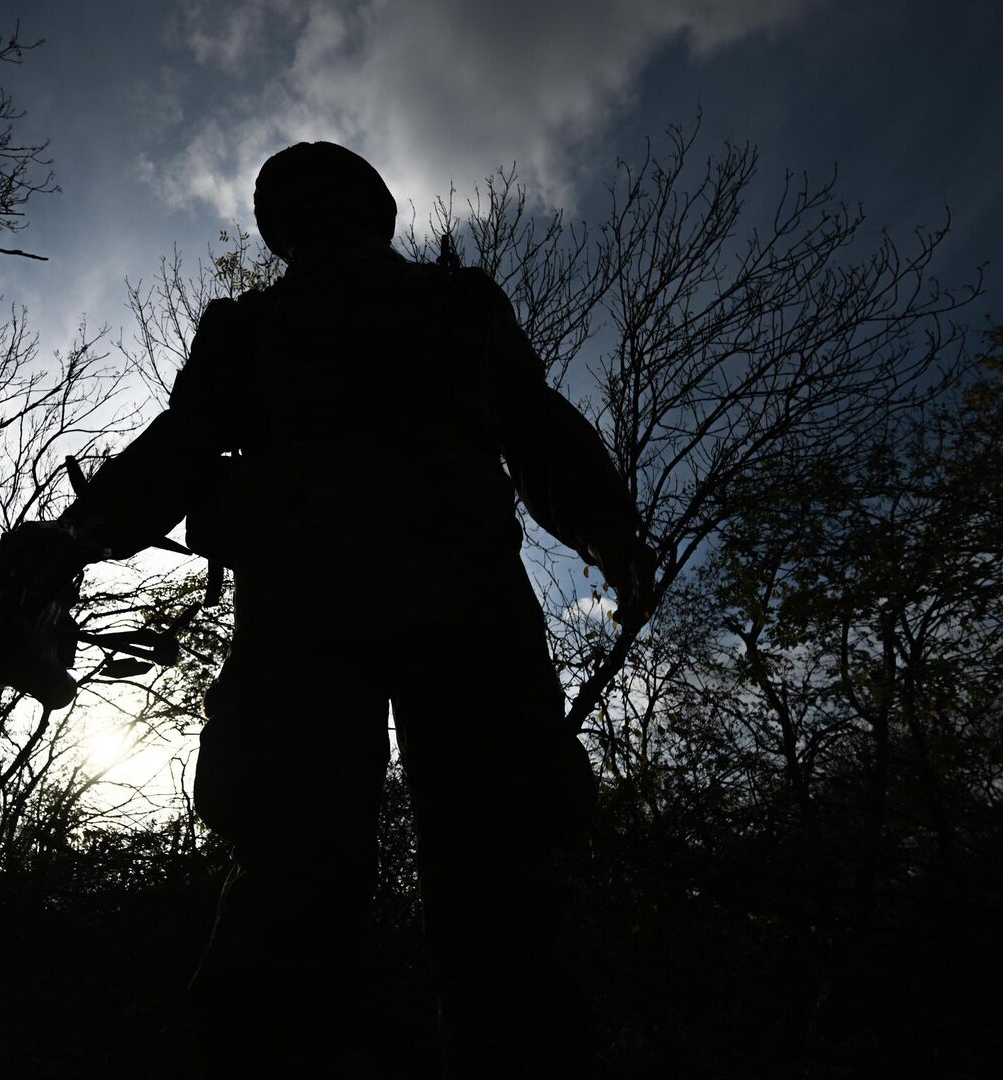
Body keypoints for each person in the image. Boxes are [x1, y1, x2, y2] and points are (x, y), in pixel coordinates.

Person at [52, 142, 650, 1076]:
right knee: (293, 881)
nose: (319, 213)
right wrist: (82, 533)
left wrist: (609, 526)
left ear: (372, 208)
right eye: (297, 202)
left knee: (498, 882)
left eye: (333, 195)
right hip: (312, 601)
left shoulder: (458, 302)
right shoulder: (249, 328)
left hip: (452, 593)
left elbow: (533, 423)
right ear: (282, 231)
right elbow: (184, 445)